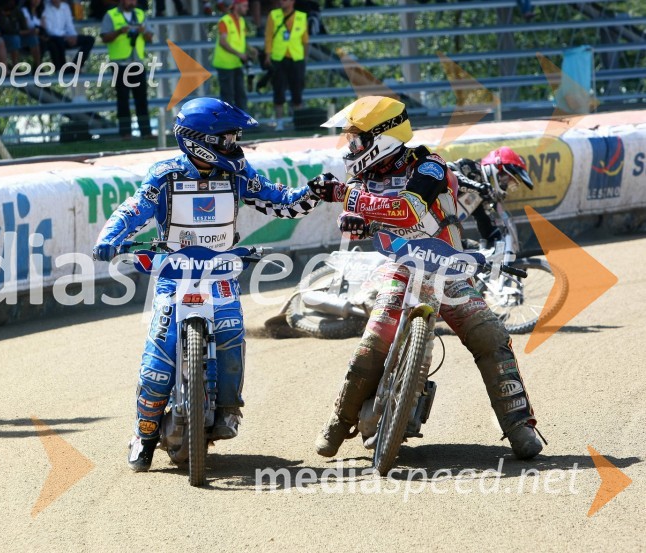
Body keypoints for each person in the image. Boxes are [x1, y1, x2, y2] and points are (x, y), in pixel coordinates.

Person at [93, 98, 326, 472]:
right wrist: (110, 236)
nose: (235, 145)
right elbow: (134, 208)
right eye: (228, 138)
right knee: (158, 360)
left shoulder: (238, 174)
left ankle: (229, 407)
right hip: (174, 276)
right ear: (199, 139)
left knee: (233, 334)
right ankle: (144, 433)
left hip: (221, 276)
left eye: (236, 137)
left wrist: (314, 192)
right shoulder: (165, 174)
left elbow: (280, 200)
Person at [307, 96, 545, 461]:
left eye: (357, 139)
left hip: (446, 268)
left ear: (382, 137)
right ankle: (339, 423)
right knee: (372, 343)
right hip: (399, 267)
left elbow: (407, 209)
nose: (351, 147)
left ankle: (520, 427)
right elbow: (367, 218)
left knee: (491, 335)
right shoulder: (364, 176)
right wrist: (354, 218)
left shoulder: (429, 165)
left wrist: (344, 195)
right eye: (350, 139)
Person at [449, 146, 534, 249]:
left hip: (438, 238)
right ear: (498, 170)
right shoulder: (470, 167)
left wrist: (502, 246)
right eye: (507, 180)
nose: (506, 186)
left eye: (510, 184)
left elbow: (488, 230)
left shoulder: (483, 198)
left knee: (476, 252)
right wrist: (479, 188)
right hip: (426, 218)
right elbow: (448, 174)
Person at [100, 0, 153, 139]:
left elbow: (150, 37)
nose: (132, 2)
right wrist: (119, 31)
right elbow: (104, 37)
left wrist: (143, 32)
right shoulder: (110, 15)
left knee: (141, 99)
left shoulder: (141, 14)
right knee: (122, 99)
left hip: (137, 62)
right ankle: (125, 133)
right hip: (119, 64)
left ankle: (146, 132)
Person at [264, 0, 308, 131]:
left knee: (297, 92)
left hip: (296, 58)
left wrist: (304, 59)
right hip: (278, 58)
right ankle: (280, 123)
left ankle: (298, 121)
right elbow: (268, 36)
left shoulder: (301, 16)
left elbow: (305, 41)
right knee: (278, 91)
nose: (281, 2)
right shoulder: (273, 15)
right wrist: (267, 55)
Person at [212, 0, 257, 111]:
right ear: (236, 6)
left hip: (236, 63)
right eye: (245, 6)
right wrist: (239, 54)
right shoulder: (225, 21)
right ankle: (229, 124)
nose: (247, 8)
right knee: (228, 96)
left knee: (240, 95)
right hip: (225, 64)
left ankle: (242, 123)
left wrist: (250, 49)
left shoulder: (241, 21)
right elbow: (223, 42)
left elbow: (241, 40)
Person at [41, 0, 95, 70]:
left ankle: (75, 67)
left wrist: (74, 37)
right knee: (57, 41)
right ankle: (63, 69)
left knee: (90, 40)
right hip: (52, 38)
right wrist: (65, 36)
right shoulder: (45, 7)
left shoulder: (65, 7)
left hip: (65, 37)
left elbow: (69, 25)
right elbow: (48, 29)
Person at [0, 0, 39, 66]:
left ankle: (38, 66)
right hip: (4, 38)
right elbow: (6, 30)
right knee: (15, 39)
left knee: (33, 38)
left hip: (19, 35)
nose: (11, 2)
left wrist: (31, 31)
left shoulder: (17, 11)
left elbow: (24, 26)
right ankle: (15, 67)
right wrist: (23, 32)